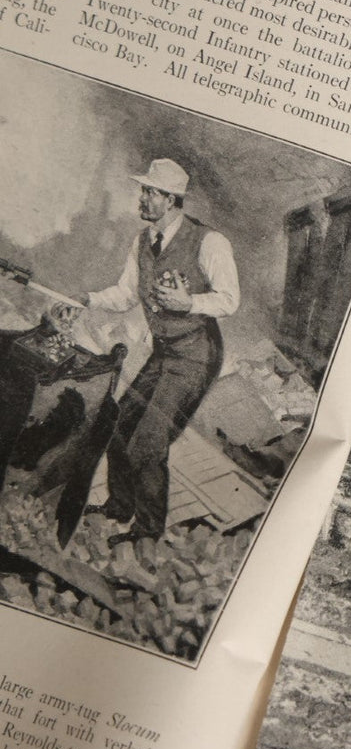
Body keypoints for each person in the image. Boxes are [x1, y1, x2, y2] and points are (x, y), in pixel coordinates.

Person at [76, 159, 239, 551]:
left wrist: (189, 303)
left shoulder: (210, 242)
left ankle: (148, 531)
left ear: (170, 199)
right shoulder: (142, 242)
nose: (142, 199)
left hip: (197, 355)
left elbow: (230, 300)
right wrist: (87, 300)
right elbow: (127, 294)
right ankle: (119, 505)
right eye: (143, 191)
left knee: (148, 443)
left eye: (150, 192)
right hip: (165, 353)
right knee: (118, 425)